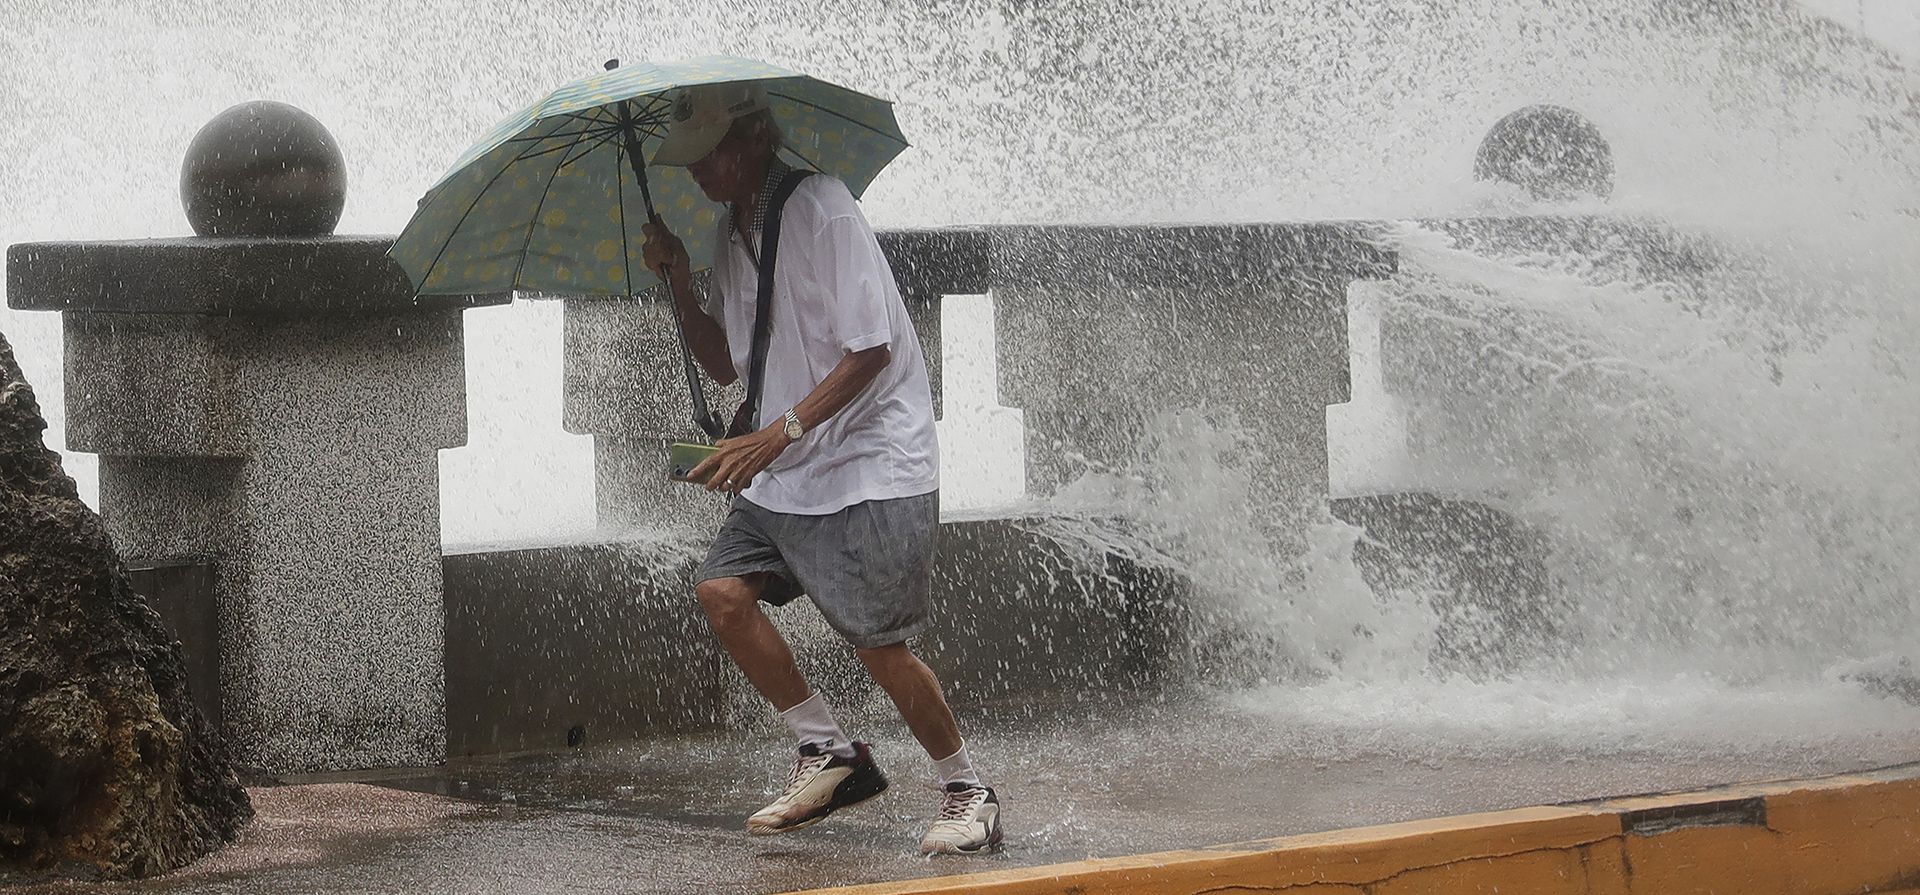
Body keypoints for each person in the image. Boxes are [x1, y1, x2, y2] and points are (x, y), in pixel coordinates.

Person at [639, 81, 1002, 856]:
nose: (696, 172)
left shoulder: (822, 207)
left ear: (752, 140)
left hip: (872, 460)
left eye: (707, 156)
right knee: (722, 592)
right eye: (690, 160)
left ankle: (968, 787)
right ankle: (830, 750)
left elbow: (870, 348)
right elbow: (726, 364)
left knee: (877, 643)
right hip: (790, 465)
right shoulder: (725, 233)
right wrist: (673, 275)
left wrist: (777, 435)